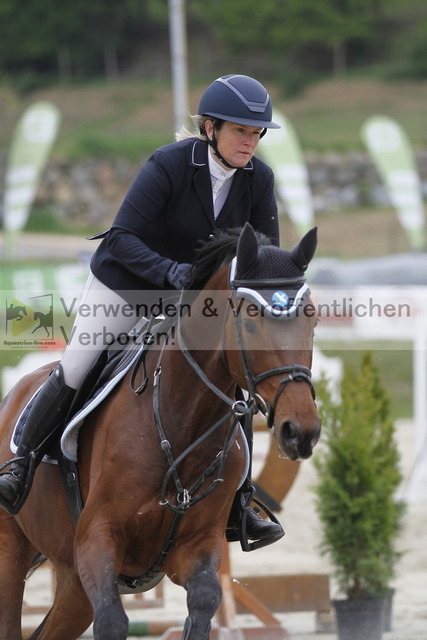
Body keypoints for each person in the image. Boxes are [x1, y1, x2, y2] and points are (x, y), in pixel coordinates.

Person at [0, 74, 284, 547]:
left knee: (232, 378)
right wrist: (171, 273)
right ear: (210, 128)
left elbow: (263, 256)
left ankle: (241, 502)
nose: (249, 143)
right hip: (126, 285)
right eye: (241, 131)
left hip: (193, 302)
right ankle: (20, 466)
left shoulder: (259, 179)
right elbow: (121, 238)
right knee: (78, 365)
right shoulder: (170, 164)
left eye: (256, 134)